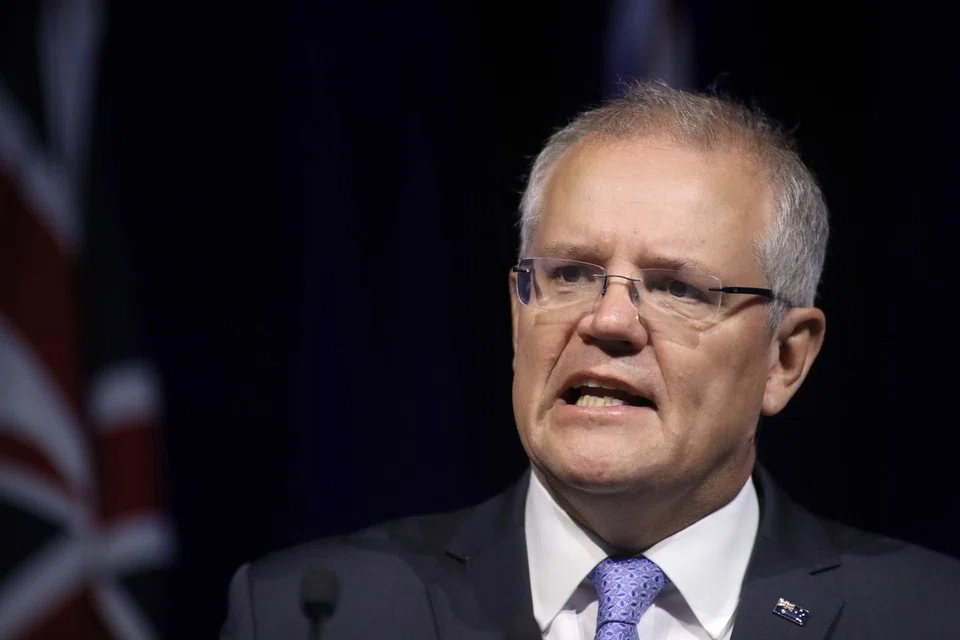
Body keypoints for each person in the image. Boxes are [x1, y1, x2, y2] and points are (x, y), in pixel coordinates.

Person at [220, 82, 960, 639]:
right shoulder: (311, 616)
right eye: (571, 274)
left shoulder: (929, 616)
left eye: (676, 288)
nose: (608, 321)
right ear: (518, 312)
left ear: (785, 358)